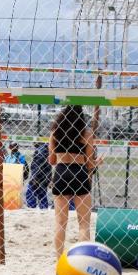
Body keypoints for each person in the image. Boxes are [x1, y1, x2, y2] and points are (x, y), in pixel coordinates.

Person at [49, 106, 96, 258]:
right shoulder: (87, 133)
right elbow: (89, 163)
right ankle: (83, 258)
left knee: (60, 222)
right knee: (84, 223)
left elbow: (52, 160)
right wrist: (97, 162)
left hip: (62, 172)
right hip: (79, 173)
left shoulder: (55, 133)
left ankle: (58, 258)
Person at [25, 143, 51, 209]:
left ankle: (31, 208)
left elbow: (38, 165)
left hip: (38, 177)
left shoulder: (41, 151)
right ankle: (43, 209)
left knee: (31, 194)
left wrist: (34, 177)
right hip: (44, 176)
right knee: (42, 195)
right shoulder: (45, 150)